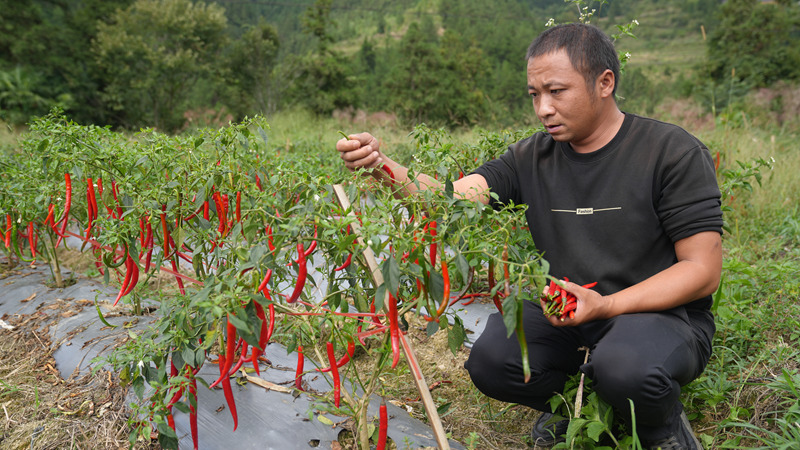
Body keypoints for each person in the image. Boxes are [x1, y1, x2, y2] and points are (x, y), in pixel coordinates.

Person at [336, 23, 721, 450]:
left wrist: (607, 304)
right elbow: (448, 199)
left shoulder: (670, 152)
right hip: (566, 309)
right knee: (492, 362)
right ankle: (572, 407)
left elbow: (702, 271)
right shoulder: (529, 158)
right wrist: (382, 165)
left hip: (660, 315)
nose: (543, 108)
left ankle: (660, 428)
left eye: (556, 91)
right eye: (534, 94)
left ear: (605, 82)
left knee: (627, 368)